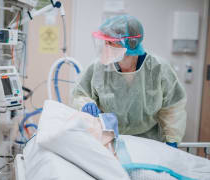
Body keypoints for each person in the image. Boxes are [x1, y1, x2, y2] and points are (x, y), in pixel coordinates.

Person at [71, 15, 187, 148]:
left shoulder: (158, 68)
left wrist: (171, 140)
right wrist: (86, 104)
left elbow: (173, 107)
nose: (105, 47)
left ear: (130, 43)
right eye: (105, 42)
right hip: (110, 140)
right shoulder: (98, 67)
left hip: (150, 143)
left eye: (110, 42)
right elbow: (81, 93)